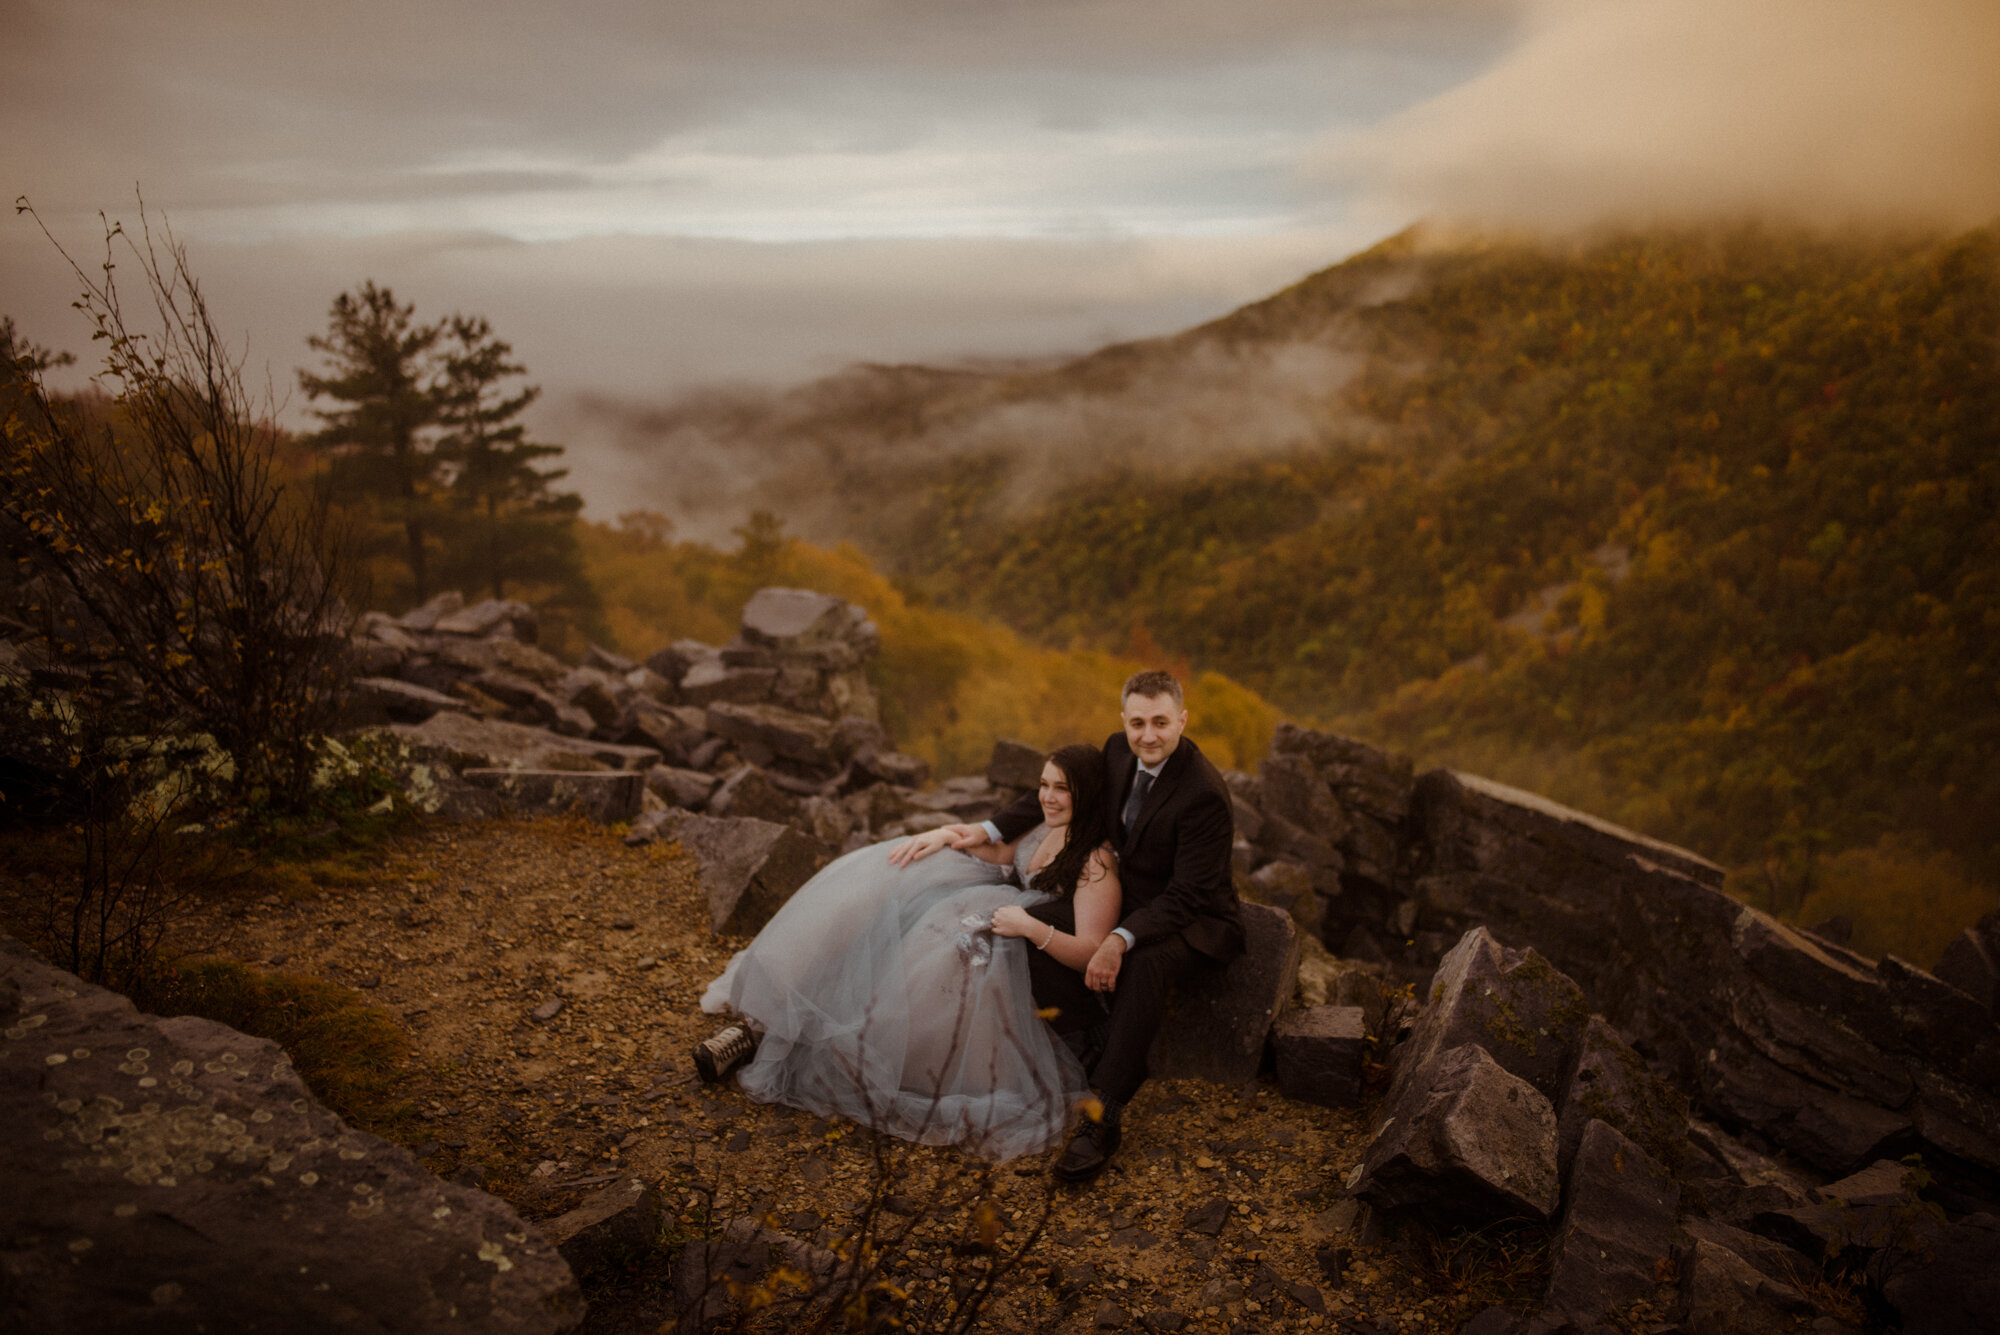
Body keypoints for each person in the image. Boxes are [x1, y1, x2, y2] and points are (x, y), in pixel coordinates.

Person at [892, 670, 1241, 1183]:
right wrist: (984, 830)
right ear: (1124, 721)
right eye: (1138, 722)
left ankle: (1106, 1111)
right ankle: (1090, 1030)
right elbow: (1061, 789)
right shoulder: (1118, 752)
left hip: (1196, 918)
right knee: (1016, 925)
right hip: (1133, 896)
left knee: (1144, 963)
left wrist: (1120, 938)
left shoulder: (1203, 794)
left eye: (1161, 723)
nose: (1148, 735)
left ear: (1182, 721)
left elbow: (1188, 894)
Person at [695, 744, 1121, 1162]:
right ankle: (759, 1029)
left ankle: (783, 1043)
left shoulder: (1096, 862)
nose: (1047, 796)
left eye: (1061, 788)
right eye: (1043, 785)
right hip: (992, 910)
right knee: (882, 919)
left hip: (1016, 941)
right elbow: (1000, 852)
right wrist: (944, 835)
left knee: (916, 982)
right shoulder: (1044, 825)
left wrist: (1030, 927)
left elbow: (1090, 951)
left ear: (1086, 793)